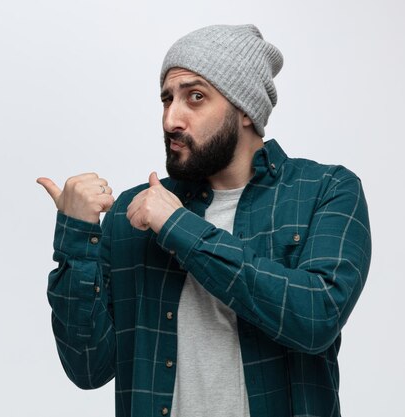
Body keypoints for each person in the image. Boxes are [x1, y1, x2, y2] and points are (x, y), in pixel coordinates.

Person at [37, 24, 371, 417]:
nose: (171, 120)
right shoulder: (133, 213)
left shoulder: (326, 190)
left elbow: (315, 319)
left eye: (195, 97)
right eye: (166, 99)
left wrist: (179, 226)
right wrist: (77, 239)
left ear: (245, 109)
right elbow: (88, 367)